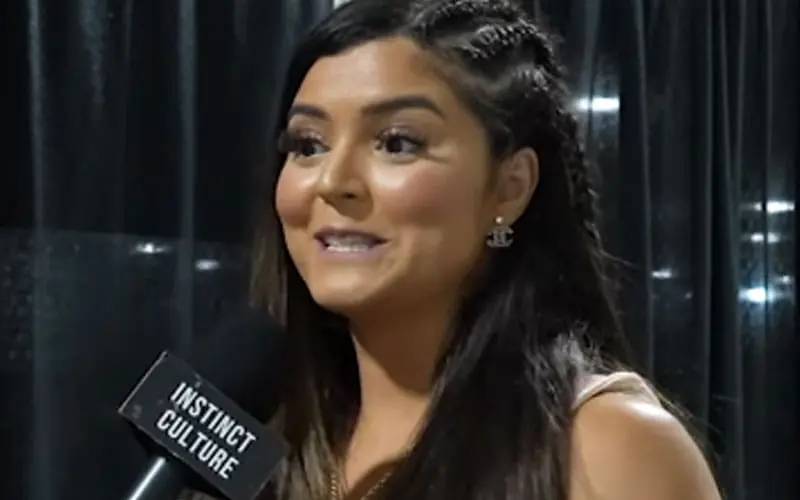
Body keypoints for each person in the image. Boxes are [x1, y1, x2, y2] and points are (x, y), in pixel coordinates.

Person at [187, 0, 723, 499]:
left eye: (397, 142)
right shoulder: (265, 438)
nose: (332, 182)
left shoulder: (605, 448)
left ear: (510, 188)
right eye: (308, 145)